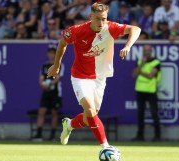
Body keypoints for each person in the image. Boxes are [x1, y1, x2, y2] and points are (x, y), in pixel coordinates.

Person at [47, 2, 141, 148]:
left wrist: (127, 45)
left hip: (99, 78)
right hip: (80, 76)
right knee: (90, 111)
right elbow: (62, 44)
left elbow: (136, 29)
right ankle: (106, 148)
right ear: (90, 17)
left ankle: (69, 124)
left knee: (90, 116)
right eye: (98, 19)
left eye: (104, 18)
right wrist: (56, 65)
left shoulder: (110, 28)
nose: (101, 22)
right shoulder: (76, 30)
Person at [32, 47, 63, 142]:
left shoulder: (59, 65)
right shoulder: (44, 66)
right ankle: (39, 135)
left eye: (53, 53)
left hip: (55, 92)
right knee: (41, 111)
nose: (51, 55)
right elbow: (41, 78)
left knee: (54, 112)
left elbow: (57, 77)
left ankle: (53, 136)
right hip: (46, 91)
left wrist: (50, 84)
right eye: (50, 53)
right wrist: (42, 84)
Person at [131, 44, 161, 142]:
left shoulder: (156, 62)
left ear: (151, 51)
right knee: (140, 114)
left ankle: (157, 136)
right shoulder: (140, 62)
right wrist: (141, 66)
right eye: (145, 50)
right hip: (140, 91)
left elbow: (150, 76)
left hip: (151, 91)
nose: (146, 52)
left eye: (148, 50)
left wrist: (140, 71)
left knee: (154, 113)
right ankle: (140, 136)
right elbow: (134, 74)